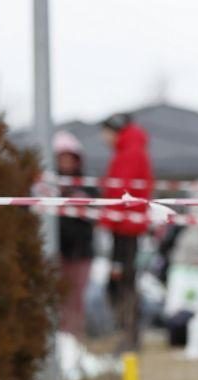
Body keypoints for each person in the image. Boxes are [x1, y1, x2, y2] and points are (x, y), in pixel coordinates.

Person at [99, 113, 153, 352]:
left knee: (122, 283)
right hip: (125, 227)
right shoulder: (131, 150)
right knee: (122, 282)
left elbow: (121, 192)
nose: (103, 138)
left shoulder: (129, 153)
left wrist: (109, 219)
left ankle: (128, 336)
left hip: (125, 229)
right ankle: (128, 335)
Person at [52, 131, 96, 338]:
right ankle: (57, 339)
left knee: (76, 299)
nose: (66, 162)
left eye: (70, 158)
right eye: (62, 158)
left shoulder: (87, 186)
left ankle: (74, 339)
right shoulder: (48, 185)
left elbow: (96, 215)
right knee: (56, 298)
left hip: (80, 252)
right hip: (55, 251)